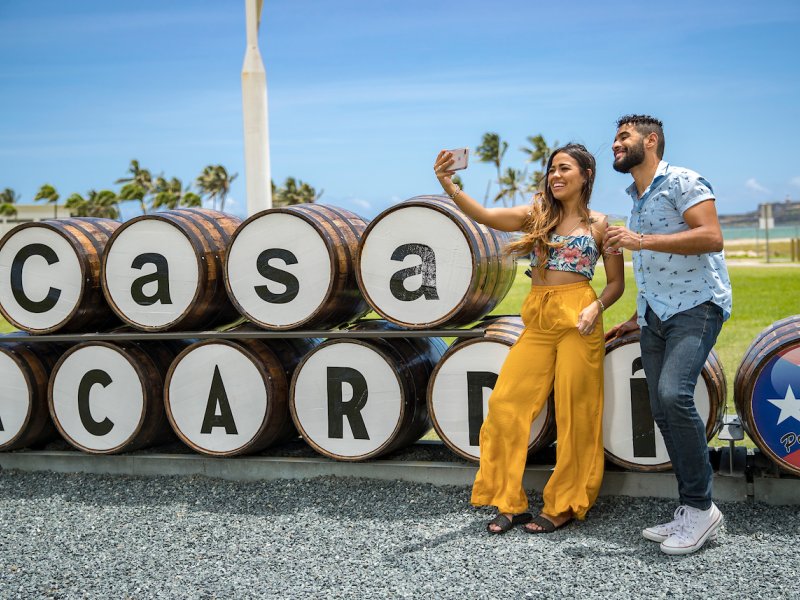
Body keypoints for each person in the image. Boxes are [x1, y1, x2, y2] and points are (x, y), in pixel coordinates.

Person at [434, 143, 624, 534]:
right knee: (506, 406)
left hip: (579, 319)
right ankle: (509, 501)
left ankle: (566, 502)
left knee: (577, 413)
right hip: (539, 320)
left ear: (586, 174)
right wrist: (447, 184)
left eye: (565, 168)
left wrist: (597, 306)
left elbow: (617, 284)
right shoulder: (536, 216)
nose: (555, 175)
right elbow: (485, 215)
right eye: (552, 169)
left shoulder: (602, 224)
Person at [605, 114, 732, 555]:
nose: (616, 144)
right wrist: (638, 317)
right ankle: (692, 508)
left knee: (674, 395)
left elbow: (712, 237)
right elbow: (652, 269)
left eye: (624, 137)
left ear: (651, 140)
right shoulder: (636, 196)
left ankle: (701, 510)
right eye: (616, 138)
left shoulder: (683, 180)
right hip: (655, 315)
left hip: (697, 306)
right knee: (661, 407)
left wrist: (640, 241)